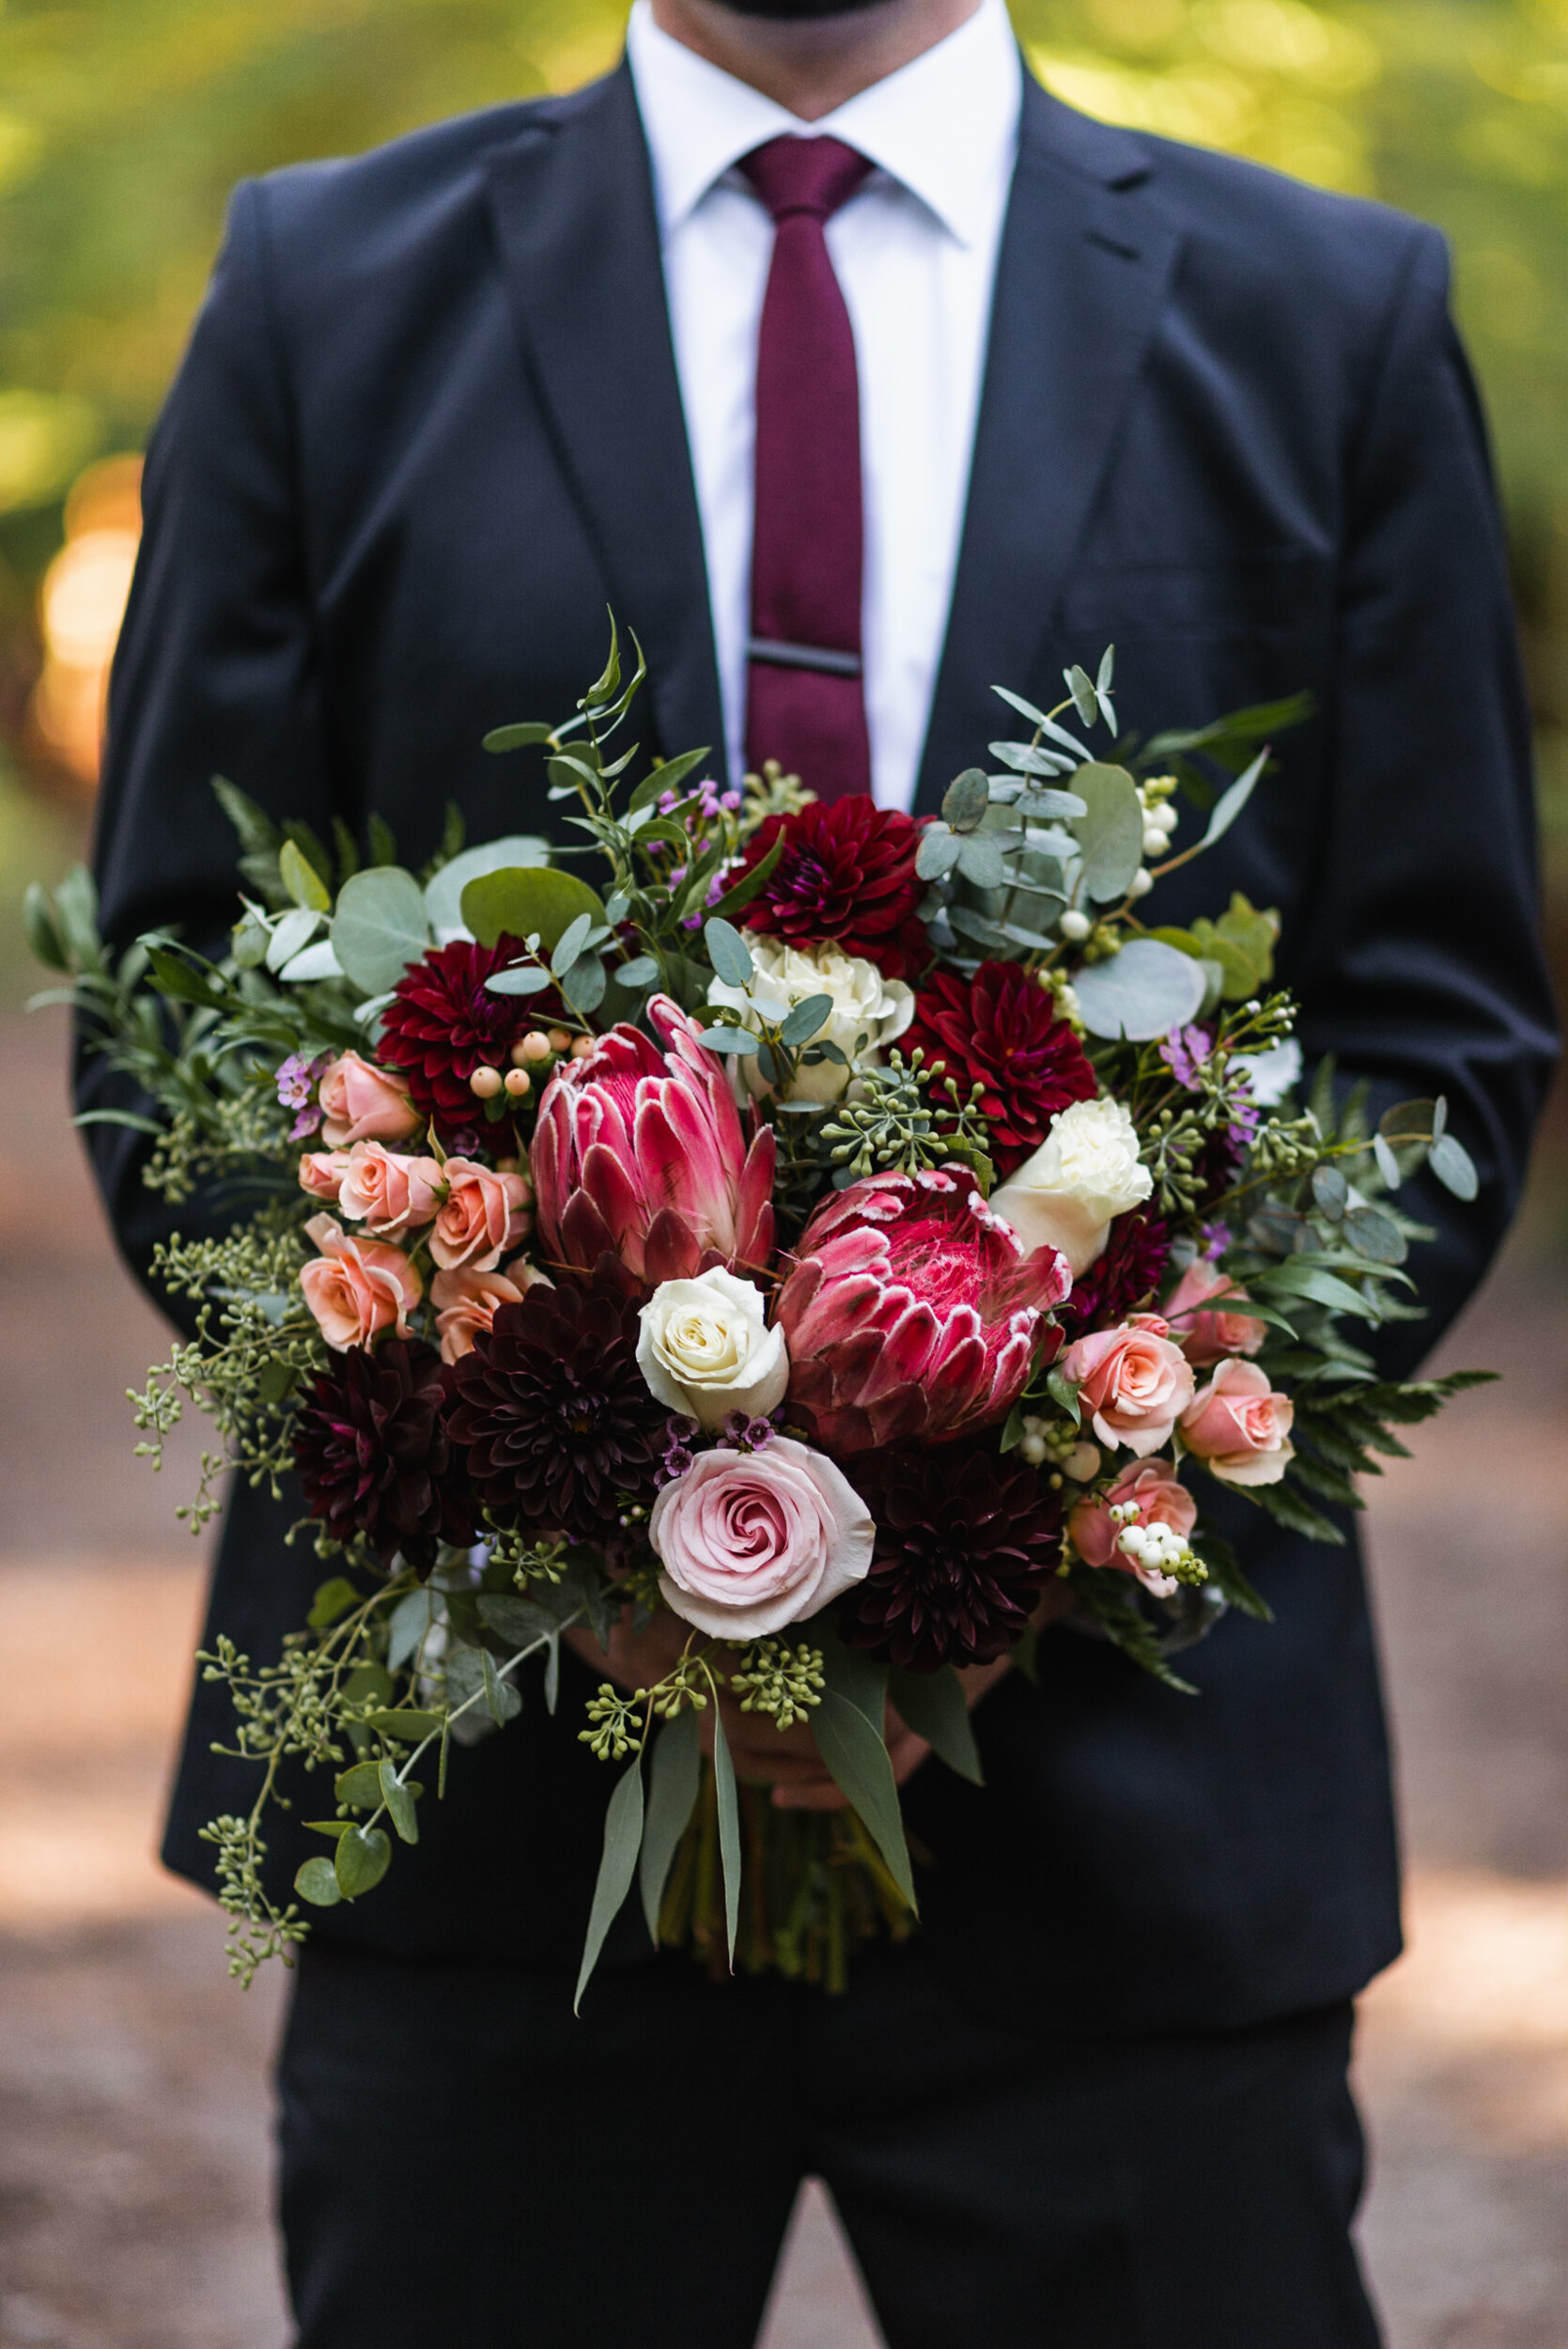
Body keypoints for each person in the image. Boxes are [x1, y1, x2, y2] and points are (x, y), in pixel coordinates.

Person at [82, 0, 1556, 2340]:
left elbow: (1438, 1024)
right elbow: (166, 1009)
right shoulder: (324, 287)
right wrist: (530, 1487)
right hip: (493, 1818)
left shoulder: (1321, 310)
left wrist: (1087, 1463)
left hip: (1132, 1815)